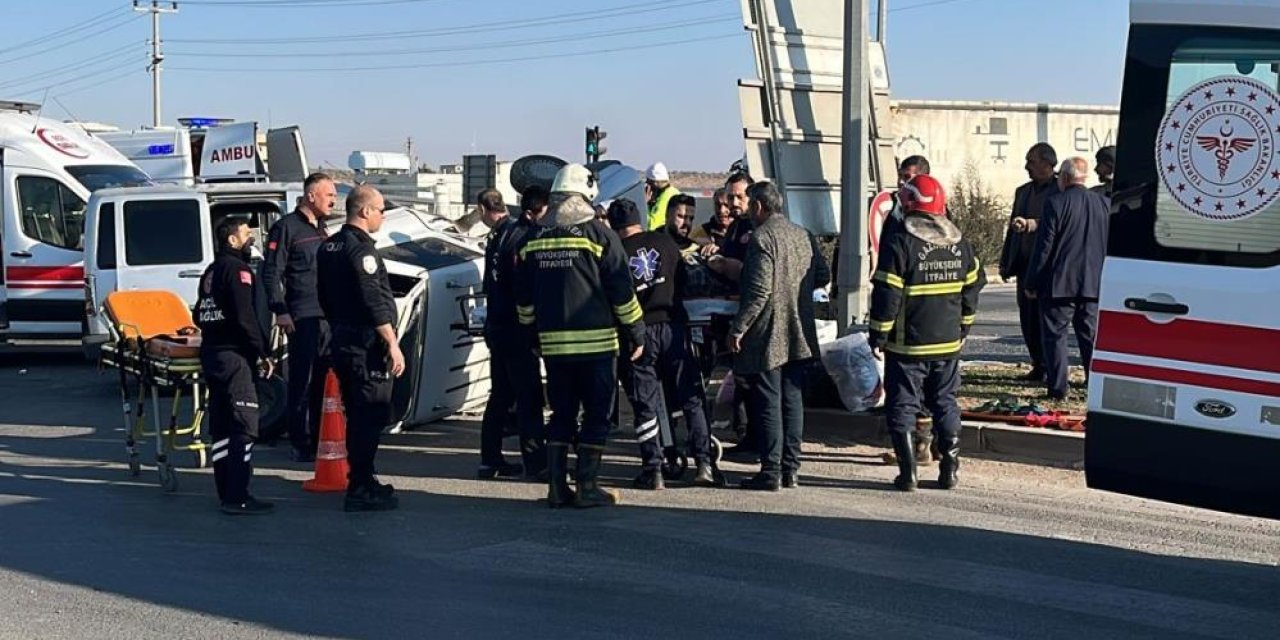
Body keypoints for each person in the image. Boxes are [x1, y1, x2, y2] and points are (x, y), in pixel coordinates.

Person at [516, 164, 646, 509]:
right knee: (596, 414)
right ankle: (587, 486)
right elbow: (621, 291)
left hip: (554, 348)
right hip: (597, 346)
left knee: (561, 414)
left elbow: (524, 299)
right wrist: (637, 332)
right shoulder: (600, 236)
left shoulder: (532, 239)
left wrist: (532, 334)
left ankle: (557, 489)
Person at [869, 174, 985, 491]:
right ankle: (949, 470)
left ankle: (908, 475)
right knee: (945, 402)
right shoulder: (960, 243)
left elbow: (887, 294)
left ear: (908, 204)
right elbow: (973, 287)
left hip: (909, 347)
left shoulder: (900, 242)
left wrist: (878, 334)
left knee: (903, 405)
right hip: (948, 344)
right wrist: (965, 325)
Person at [606, 199, 717, 490]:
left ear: (615, 226)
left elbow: (616, 299)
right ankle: (704, 463)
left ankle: (653, 468)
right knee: (692, 396)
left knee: (646, 403)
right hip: (674, 327)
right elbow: (685, 281)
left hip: (639, 334)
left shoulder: (617, 253)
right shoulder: (666, 244)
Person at [729, 181, 831, 491]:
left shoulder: (762, 238)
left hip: (769, 332)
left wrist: (738, 328)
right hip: (800, 329)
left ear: (759, 206)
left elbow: (760, 290)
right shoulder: (803, 235)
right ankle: (791, 469)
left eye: (749, 205)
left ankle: (771, 470)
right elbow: (823, 275)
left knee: (769, 401)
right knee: (793, 399)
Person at [316, 185, 405, 512]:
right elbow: (373, 301)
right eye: (381, 209)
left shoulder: (329, 247)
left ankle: (364, 479)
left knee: (357, 413)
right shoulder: (361, 251)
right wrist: (392, 343)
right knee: (370, 413)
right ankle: (360, 487)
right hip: (366, 343)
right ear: (365, 211)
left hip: (342, 337)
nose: (382, 215)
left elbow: (322, 294)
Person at [196, 218, 274, 515]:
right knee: (244, 424)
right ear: (231, 240)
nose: (251, 237)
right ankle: (238, 495)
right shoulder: (238, 271)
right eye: (245, 233)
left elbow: (197, 315)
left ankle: (225, 492)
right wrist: (263, 351)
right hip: (234, 358)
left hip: (212, 354)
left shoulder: (212, 270)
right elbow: (245, 316)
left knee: (221, 428)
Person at [261, 172, 336, 463]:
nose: (333, 200)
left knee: (323, 381)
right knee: (301, 383)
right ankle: (299, 440)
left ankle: (320, 437)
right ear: (311, 196)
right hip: (301, 316)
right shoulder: (286, 228)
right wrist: (280, 310)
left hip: (327, 317)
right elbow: (271, 273)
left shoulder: (322, 228)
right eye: (328, 195)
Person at [477, 186, 549, 481]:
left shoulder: (496, 237)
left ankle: (489, 459)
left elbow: (489, 286)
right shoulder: (522, 234)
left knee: (500, 396)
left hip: (497, 327)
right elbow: (525, 286)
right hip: (518, 328)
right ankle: (535, 462)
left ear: (483, 209)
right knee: (528, 397)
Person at [1026, 157, 1110, 400]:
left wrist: (1032, 281)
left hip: (1059, 283)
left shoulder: (1055, 203)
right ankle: (1094, 385)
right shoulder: (1103, 204)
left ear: (1064, 177)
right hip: (1093, 282)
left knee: (1055, 337)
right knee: (1090, 336)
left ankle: (1058, 387)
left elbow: (1044, 248)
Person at [1000, 142, 1060, 382]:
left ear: (1047, 163)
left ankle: (1050, 366)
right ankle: (1037, 364)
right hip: (1024, 265)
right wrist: (1006, 261)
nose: (1027, 167)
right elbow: (1011, 231)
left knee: (1047, 319)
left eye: (1031, 161)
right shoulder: (1022, 191)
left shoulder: (1061, 190)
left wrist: (1032, 224)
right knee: (1027, 319)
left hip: (1049, 267)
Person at [644, 162, 681, 230]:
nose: (647, 186)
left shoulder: (666, 197)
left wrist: (645, 205)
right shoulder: (673, 192)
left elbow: (651, 225)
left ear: (655, 182)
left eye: (648, 182)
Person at [665, 194, 700, 259]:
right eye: (681, 217)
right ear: (667, 215)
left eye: (691, 218)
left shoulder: (697, 250)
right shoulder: (653, 243)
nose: (687, 223)